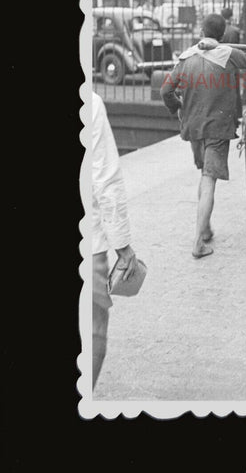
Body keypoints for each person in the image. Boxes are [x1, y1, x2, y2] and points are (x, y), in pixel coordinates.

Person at [161, 13, 246, 259]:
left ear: (201, 32)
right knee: (209, 179)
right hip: (217, 127)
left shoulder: (186, 57)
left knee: (204, 175)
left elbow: (166, 90)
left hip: (193, 128)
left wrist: (177, 106)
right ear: (222, 34)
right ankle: (198, 243)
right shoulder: (229, 54)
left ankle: (206, 227)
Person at [92, 92, 138, 389]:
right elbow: (106, 181)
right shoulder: (91, 103)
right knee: (93, 335)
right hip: (90, 246)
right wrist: (122, 245)